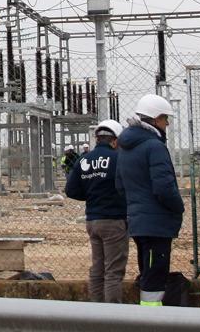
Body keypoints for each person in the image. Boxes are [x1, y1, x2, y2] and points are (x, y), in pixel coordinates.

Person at [116, 94, 183, 307]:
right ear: (155, 119)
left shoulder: (126, 148)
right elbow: (164, 188)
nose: (168, 123)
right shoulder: (154, 147)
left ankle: (149, 316)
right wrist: (178, 207)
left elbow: (119, 185)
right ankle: (152, 320)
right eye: (165, 119)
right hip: (157, 224)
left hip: (139, 222)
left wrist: (137, 206)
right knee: (155, 276)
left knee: (148, 271)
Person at [65, 119, 128, 302]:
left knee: (97, 268)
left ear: (97, 138)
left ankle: (95, 313)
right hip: (114, 220)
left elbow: (71, 190)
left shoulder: (84, 159)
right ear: (115, 141)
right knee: (113, 271)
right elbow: (128, 185)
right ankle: (112, 317)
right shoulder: (118, 159)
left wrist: (92, 196)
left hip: (92, 220)